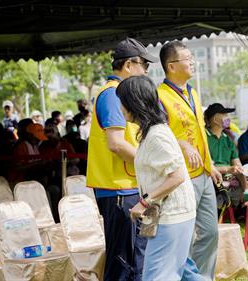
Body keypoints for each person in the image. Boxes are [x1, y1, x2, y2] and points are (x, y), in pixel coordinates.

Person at [86, 37, 158, 281]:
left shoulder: (121, 95)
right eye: (144, 66)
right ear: (129, 65)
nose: (146, 72)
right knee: (122, 263)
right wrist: (151, 163)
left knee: (138, 258)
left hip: (129, 187)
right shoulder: (111, 95)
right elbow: (116, 144)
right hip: (118, 190)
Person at [117, 76, 202, 281]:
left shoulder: (157, 134)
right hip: (162, 214)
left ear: (133, 103)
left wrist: (144, 202)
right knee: (185, 274)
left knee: (156, 276)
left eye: (122, 102)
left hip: (171, 214)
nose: (120, 107)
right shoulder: (151, 132)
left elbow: (177, 176)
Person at [157, 40, 222, 281]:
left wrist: (211, 164)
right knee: (182, 234)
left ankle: (202, 277)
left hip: (203, 174)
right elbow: (158, 133)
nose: (192, 61)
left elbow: (199, 131)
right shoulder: (160, 96)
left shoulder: (193, 92)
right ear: (171, 66)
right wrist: (181, 144)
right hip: (181, 177)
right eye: (187, 58)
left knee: (210, 232)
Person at [204, 103, 247, 207]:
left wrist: (238, 169)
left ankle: (243, 201)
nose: (228, 118)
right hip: (211, 179)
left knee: (245, 180)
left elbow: (236, 162)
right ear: (214, 119)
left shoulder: (228, 139)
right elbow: (207, 167)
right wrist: (229, 169)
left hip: (229, 178)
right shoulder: (204, 138)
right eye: (224, 115)